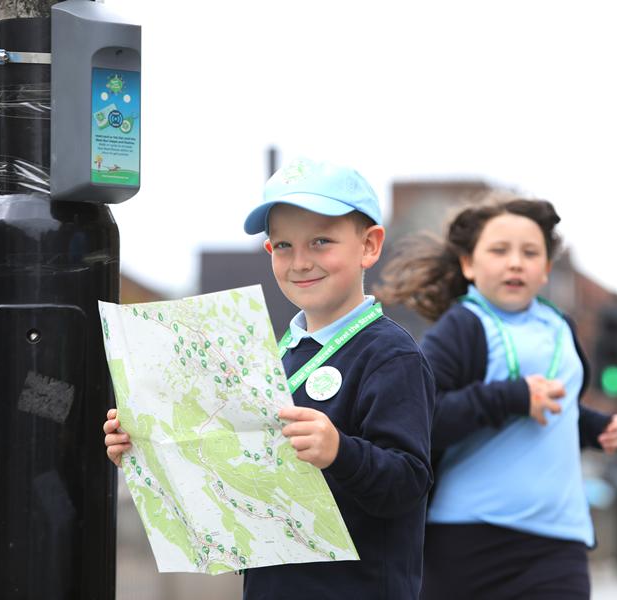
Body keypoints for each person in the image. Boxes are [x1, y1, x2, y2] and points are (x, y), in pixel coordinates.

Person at [104, 157, 436, 600]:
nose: (300, 262)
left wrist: (341, 451)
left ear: (369, 246)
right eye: (283, 245)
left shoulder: (391, 354)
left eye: (321, 241)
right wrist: (146, 446)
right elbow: (232, 474)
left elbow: (409, 483)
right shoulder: (274, 354)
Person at [377, 193, 617, 600]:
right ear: (468, 264)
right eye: (499, 250)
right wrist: (511, 397)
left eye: (530, 252)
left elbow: (556, 408)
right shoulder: (462, 327)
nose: (515, 262)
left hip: (559, 539)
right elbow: (422, 420)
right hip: (468, 538)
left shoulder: (561, 326)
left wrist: (595, 427)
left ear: (545, 269)